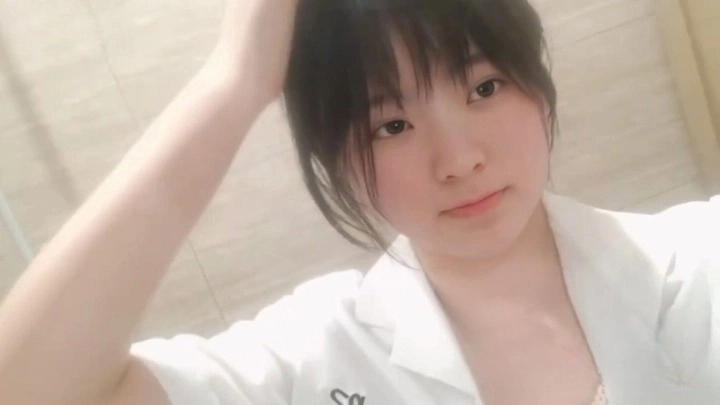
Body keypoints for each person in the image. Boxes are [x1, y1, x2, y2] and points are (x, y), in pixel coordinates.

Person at [0, 0, 718, 404]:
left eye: (484, 87)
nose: (459, 160)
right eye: (391, 125)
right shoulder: (310, 356)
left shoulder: (697, 260)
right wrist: (234, 81)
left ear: (537, 84)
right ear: (336, 156)